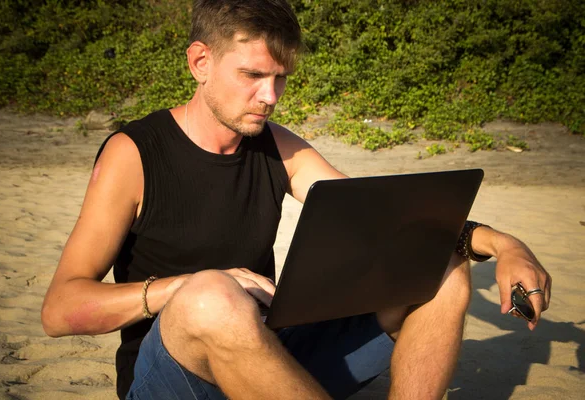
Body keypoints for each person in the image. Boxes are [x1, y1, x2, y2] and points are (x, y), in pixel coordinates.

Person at [41, 1, 552, 399]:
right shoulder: (134, 154)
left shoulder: (276, 146)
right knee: (211, 298)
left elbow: (385, 217)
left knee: (438, 264)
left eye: (280, 77)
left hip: (271, 354)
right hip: (175, 380)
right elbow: (61, 309)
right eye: (253, 75)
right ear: (200, 61)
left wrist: (502, 244)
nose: (270, 96)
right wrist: (182, 289)